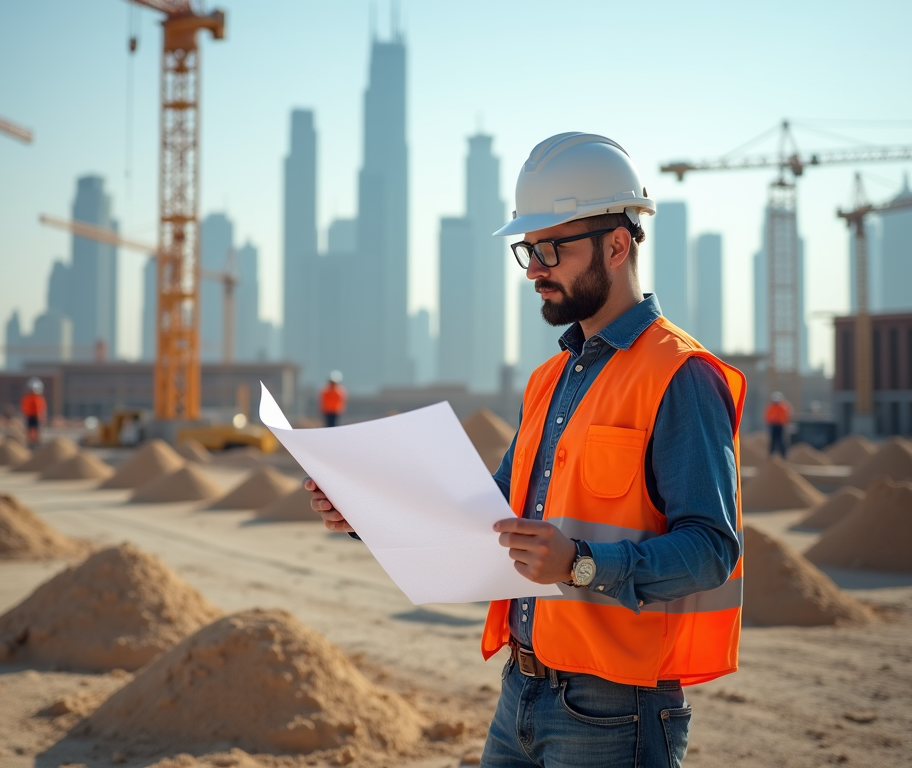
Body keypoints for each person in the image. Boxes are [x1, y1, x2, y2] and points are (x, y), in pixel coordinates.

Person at [306, 133, 744, 768]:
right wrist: (367, 512)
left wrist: (581, 564)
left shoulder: (680, 376)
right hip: (520, 696)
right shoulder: (550, 381)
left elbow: (712, 548)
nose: (535, 267)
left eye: (550, 248)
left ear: (617, 245)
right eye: (528, 250)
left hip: (616, 713)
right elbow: (489, 520)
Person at [20, 377, 47, 449]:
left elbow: (40, 409)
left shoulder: (31, 398)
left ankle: (34, 443)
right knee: (33, 430)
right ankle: (33, 443)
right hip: (32, 416)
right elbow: (38, 409)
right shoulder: (33, 398)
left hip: (32, 417)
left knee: (33, 430)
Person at [765, 391, 792, 457]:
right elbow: (767, 416)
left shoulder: (783, 407)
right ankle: (771, 455)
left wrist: (785, 423)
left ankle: (783, 456)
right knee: (773, 441)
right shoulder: (771, 407)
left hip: (781, 426)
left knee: (782, 441)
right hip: (773, 425)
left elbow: (787, 416)